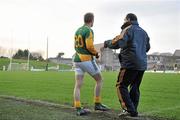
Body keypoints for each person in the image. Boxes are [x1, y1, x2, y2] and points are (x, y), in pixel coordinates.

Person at [104, 13, 150, 117]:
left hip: (130, 63)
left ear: (128, 19)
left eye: (124, 19)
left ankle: (129, 109)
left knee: (121, 85)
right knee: (135, 87)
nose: (123, 21)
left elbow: (119, 42)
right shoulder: (144, 32)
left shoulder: (127, 29)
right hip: (142, 64)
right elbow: (147, 47)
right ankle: (133, 109)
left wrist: (106, 43)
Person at [73, 12, 109, 116]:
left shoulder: (77, 30)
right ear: (92, 20)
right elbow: (89, 46)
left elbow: (75, 46)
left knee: (78, 84)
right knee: (99, 80)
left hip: (77, 59)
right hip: (86, 59)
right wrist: (96, 54)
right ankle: (97, 103)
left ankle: (78, 107)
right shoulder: (89, 30)